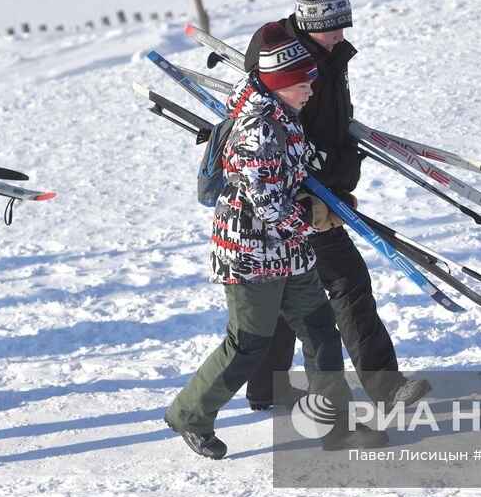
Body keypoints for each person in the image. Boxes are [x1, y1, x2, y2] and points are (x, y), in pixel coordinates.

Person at [164, 23, 389, 458]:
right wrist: (315, 218)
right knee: (248, 343)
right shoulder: (259, 130)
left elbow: (293, 180)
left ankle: (335, 428)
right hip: (250, 254)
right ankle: (189, 414)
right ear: (281, 82)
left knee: (322, 334)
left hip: (289, 253)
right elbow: (268, 206)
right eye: (303, 81)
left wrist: (329, 200)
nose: (311, 87)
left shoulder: (285, 117)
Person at [242, 0, 430, 410]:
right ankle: (386, 388)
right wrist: (330, 173)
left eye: (344, 25)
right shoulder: (291, 64)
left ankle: (266, 386)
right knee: (348, 284)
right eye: (332, 27)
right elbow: (289, 134)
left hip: (319, 187)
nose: (341, 35)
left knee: (289, 290)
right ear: (309, 25)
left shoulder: (324, 53)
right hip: (303, 196)